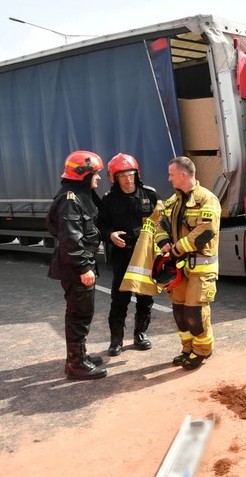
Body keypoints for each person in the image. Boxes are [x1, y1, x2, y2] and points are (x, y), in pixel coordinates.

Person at [46, 150, 108, 381]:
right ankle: (75, 363)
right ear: (83, 174)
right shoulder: (70, 200)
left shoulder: (80, 195)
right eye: (95, 173)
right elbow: (70, 240)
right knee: (78, 313)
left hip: (78, 263)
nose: (99, 178)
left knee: (82, 311)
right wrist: (84, 268)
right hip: (75, 266)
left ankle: (79, 356)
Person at [155, 156, 221, 370]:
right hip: (179, 268)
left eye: (171, 174)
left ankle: (203, 350)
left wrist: (175, 249)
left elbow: (205, 231)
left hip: (201, 269)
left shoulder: (207, 200)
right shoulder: (172, 202)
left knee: (195, 313)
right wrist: (164, 241)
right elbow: (160, 225)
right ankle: (188, 348)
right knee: (180, 313)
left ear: (183, 175)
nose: (168, 179)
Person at [97, 153, 158, 356]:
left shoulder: (149, 195)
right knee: (120, 297)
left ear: (136, 174)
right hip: (122, 254)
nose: (127, 178)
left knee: (145, 295)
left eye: (130, 174)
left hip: (145, 254)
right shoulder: (109, 200)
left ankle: (140, 334)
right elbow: (100, 225)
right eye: (122, 175)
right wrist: (110, 235)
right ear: (114, 177)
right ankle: (116, 341)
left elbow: (161, 222)